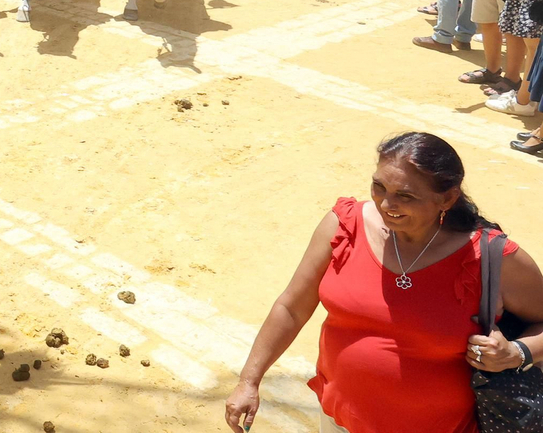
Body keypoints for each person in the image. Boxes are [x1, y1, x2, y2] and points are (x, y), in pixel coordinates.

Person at [225, 132, 543, 433]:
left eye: (405, 196)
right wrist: (248, 382)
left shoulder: (491, 258)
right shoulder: (344, 225)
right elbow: (292, 307)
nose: (386, 205)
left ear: (447, 198)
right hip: (339, 421)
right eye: (379, 187)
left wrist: (517, 353)